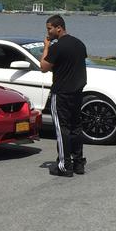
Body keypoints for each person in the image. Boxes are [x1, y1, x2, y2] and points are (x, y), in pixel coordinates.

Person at [40, 14, 87, 178]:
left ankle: (64, 165)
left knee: (62, 130)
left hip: (61, 93)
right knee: (76, 128)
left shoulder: (57, 47)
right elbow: (71, 64)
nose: (48, 32)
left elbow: (43, 67)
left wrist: (46, 46)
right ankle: (78, 162)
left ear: (59, 28)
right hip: (77, 92)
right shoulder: (79, 44)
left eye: (49, 29)